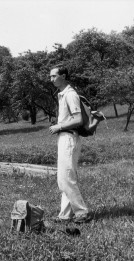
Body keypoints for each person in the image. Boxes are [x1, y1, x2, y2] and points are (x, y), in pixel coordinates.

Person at [49, 65, 92, 224]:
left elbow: (78, 119)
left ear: (64, 76)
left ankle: (81, 212)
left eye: (54, 76)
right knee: (63, 178)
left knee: (67, 178)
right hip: (64, 138)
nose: (51, 79)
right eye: (51, 76)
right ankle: (65, 215)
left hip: (69, 138)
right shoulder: (62, 94)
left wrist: (59, 126)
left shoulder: (70, 94)